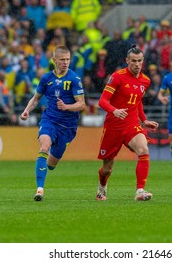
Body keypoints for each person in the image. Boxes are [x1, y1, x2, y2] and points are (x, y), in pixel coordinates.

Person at [20, 46, 86, 201]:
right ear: (54, 60)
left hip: (67, 127)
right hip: (49, 120)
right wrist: (26, 110)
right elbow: (36, 98)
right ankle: (40, 190)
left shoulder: (74, 79)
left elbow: (82, 104)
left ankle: (49, 165)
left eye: (68, 59)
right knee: (44, 147)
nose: (65, 62)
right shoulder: (46, 78)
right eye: (62, 60)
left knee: (51, 164)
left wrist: (67, 107)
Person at [96, 44, 159, 201]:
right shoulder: (117, 77)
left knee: (143, 149)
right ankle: (102, 188)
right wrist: (114, 110)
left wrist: (144, 120)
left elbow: (137, 102)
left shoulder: (145, 81)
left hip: (131, 124)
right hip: (113, 126)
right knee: (107, 168)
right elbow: (102, 101)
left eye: (139, 61)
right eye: (133, 61)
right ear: (127, 61)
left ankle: (140, 191)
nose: (137, 64)